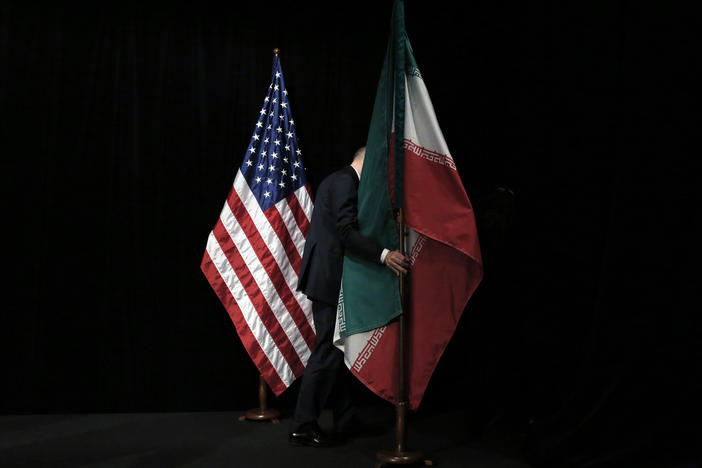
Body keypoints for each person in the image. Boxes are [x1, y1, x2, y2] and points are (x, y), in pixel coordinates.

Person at [289, 147, 409, 447]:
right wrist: (384, 255)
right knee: (328, 351)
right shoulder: (345, 182)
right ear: (365, 162)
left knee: (339, 351)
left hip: (332, 277)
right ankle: (303, 424)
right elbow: (346, 232)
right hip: (329, 279)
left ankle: (346, 416)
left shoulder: (340, 181)